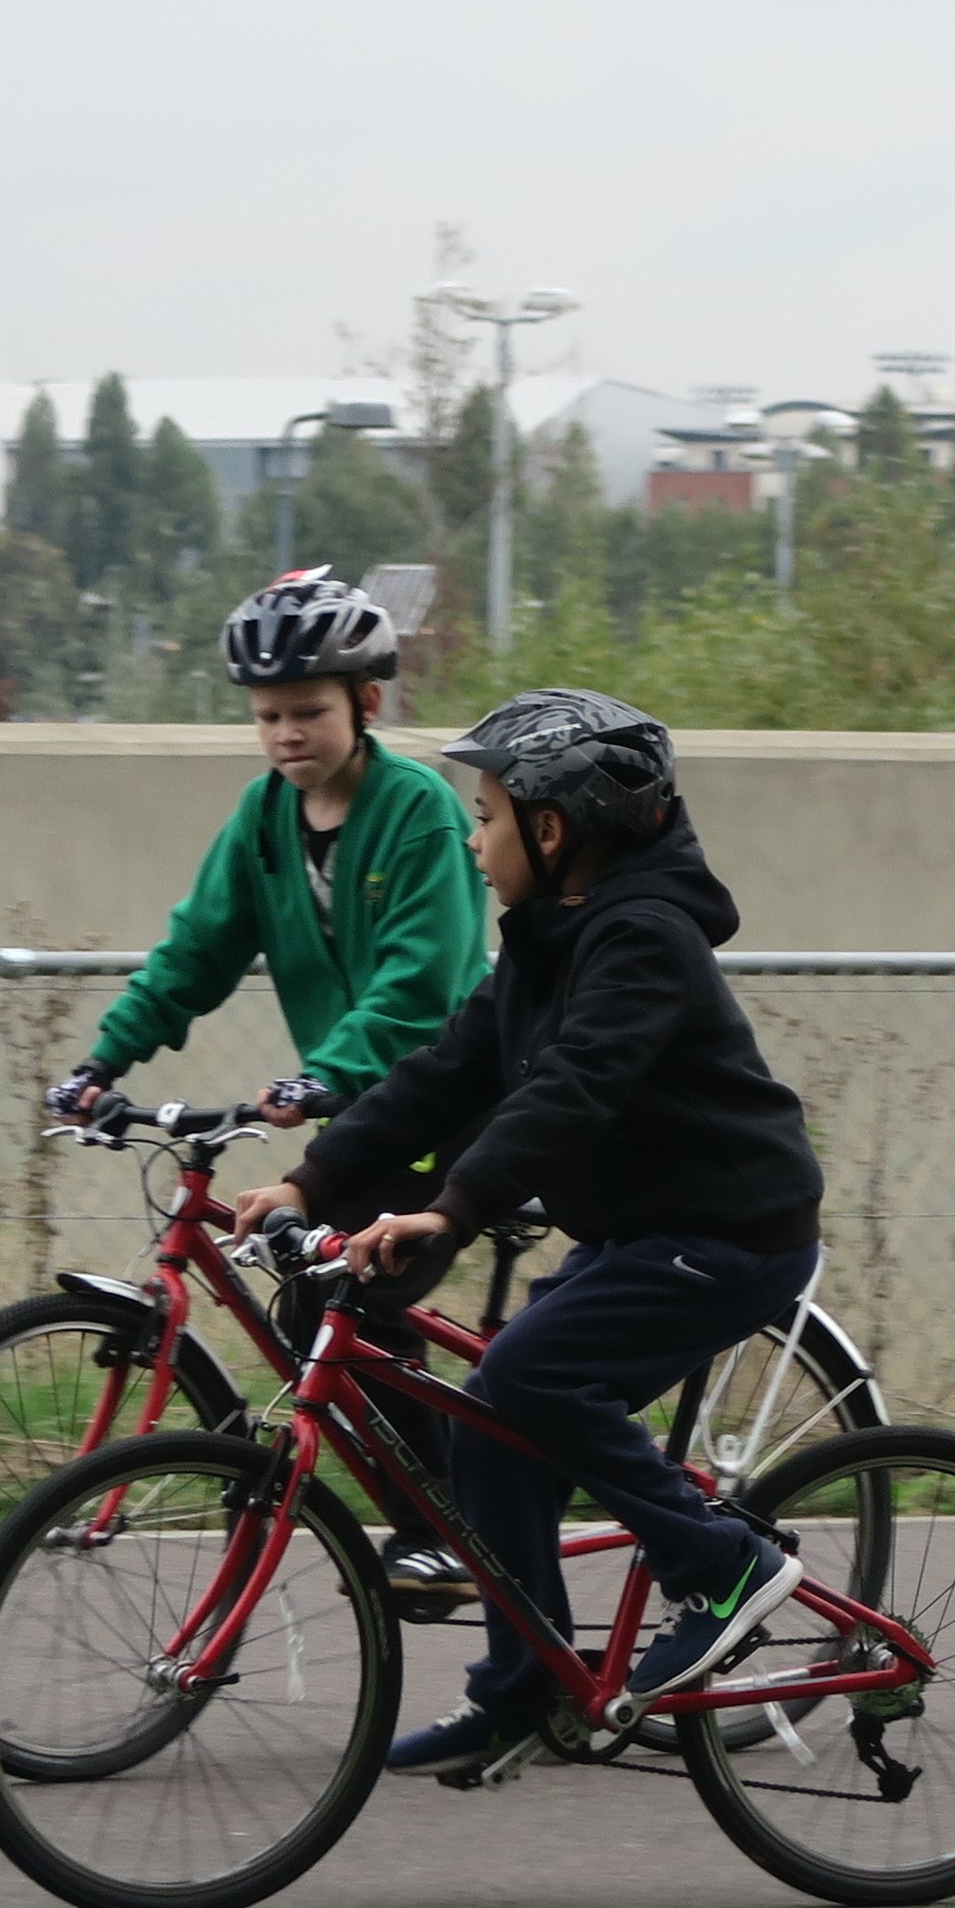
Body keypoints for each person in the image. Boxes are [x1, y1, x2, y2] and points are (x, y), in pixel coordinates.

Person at [232, 689, 832, 1785]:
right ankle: (523, 1691)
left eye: (486, 817)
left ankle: (727, 1569)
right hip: (641, 1229)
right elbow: (444, 1072)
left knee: (531, 1378)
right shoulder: (548, 939)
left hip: (731, 1232)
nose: (473, 841)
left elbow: (573, 1089)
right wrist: (309, 1180)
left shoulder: (643, 937)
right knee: (491, 1426)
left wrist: (450, 1208)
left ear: (550, 830)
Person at [49, 571, 487, 1601]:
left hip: (453, 1102)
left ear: (365, 702)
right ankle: (438, 1512)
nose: (286, 734)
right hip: (361, 1111)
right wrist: (103, 1062)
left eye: (307, 711)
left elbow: (420, 983)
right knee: (308, 1309)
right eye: (267, 716)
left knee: (351, 1295)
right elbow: (194, 953)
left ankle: (456, 1527)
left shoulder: (418, 809)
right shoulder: (262, 819)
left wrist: (324, 1071)